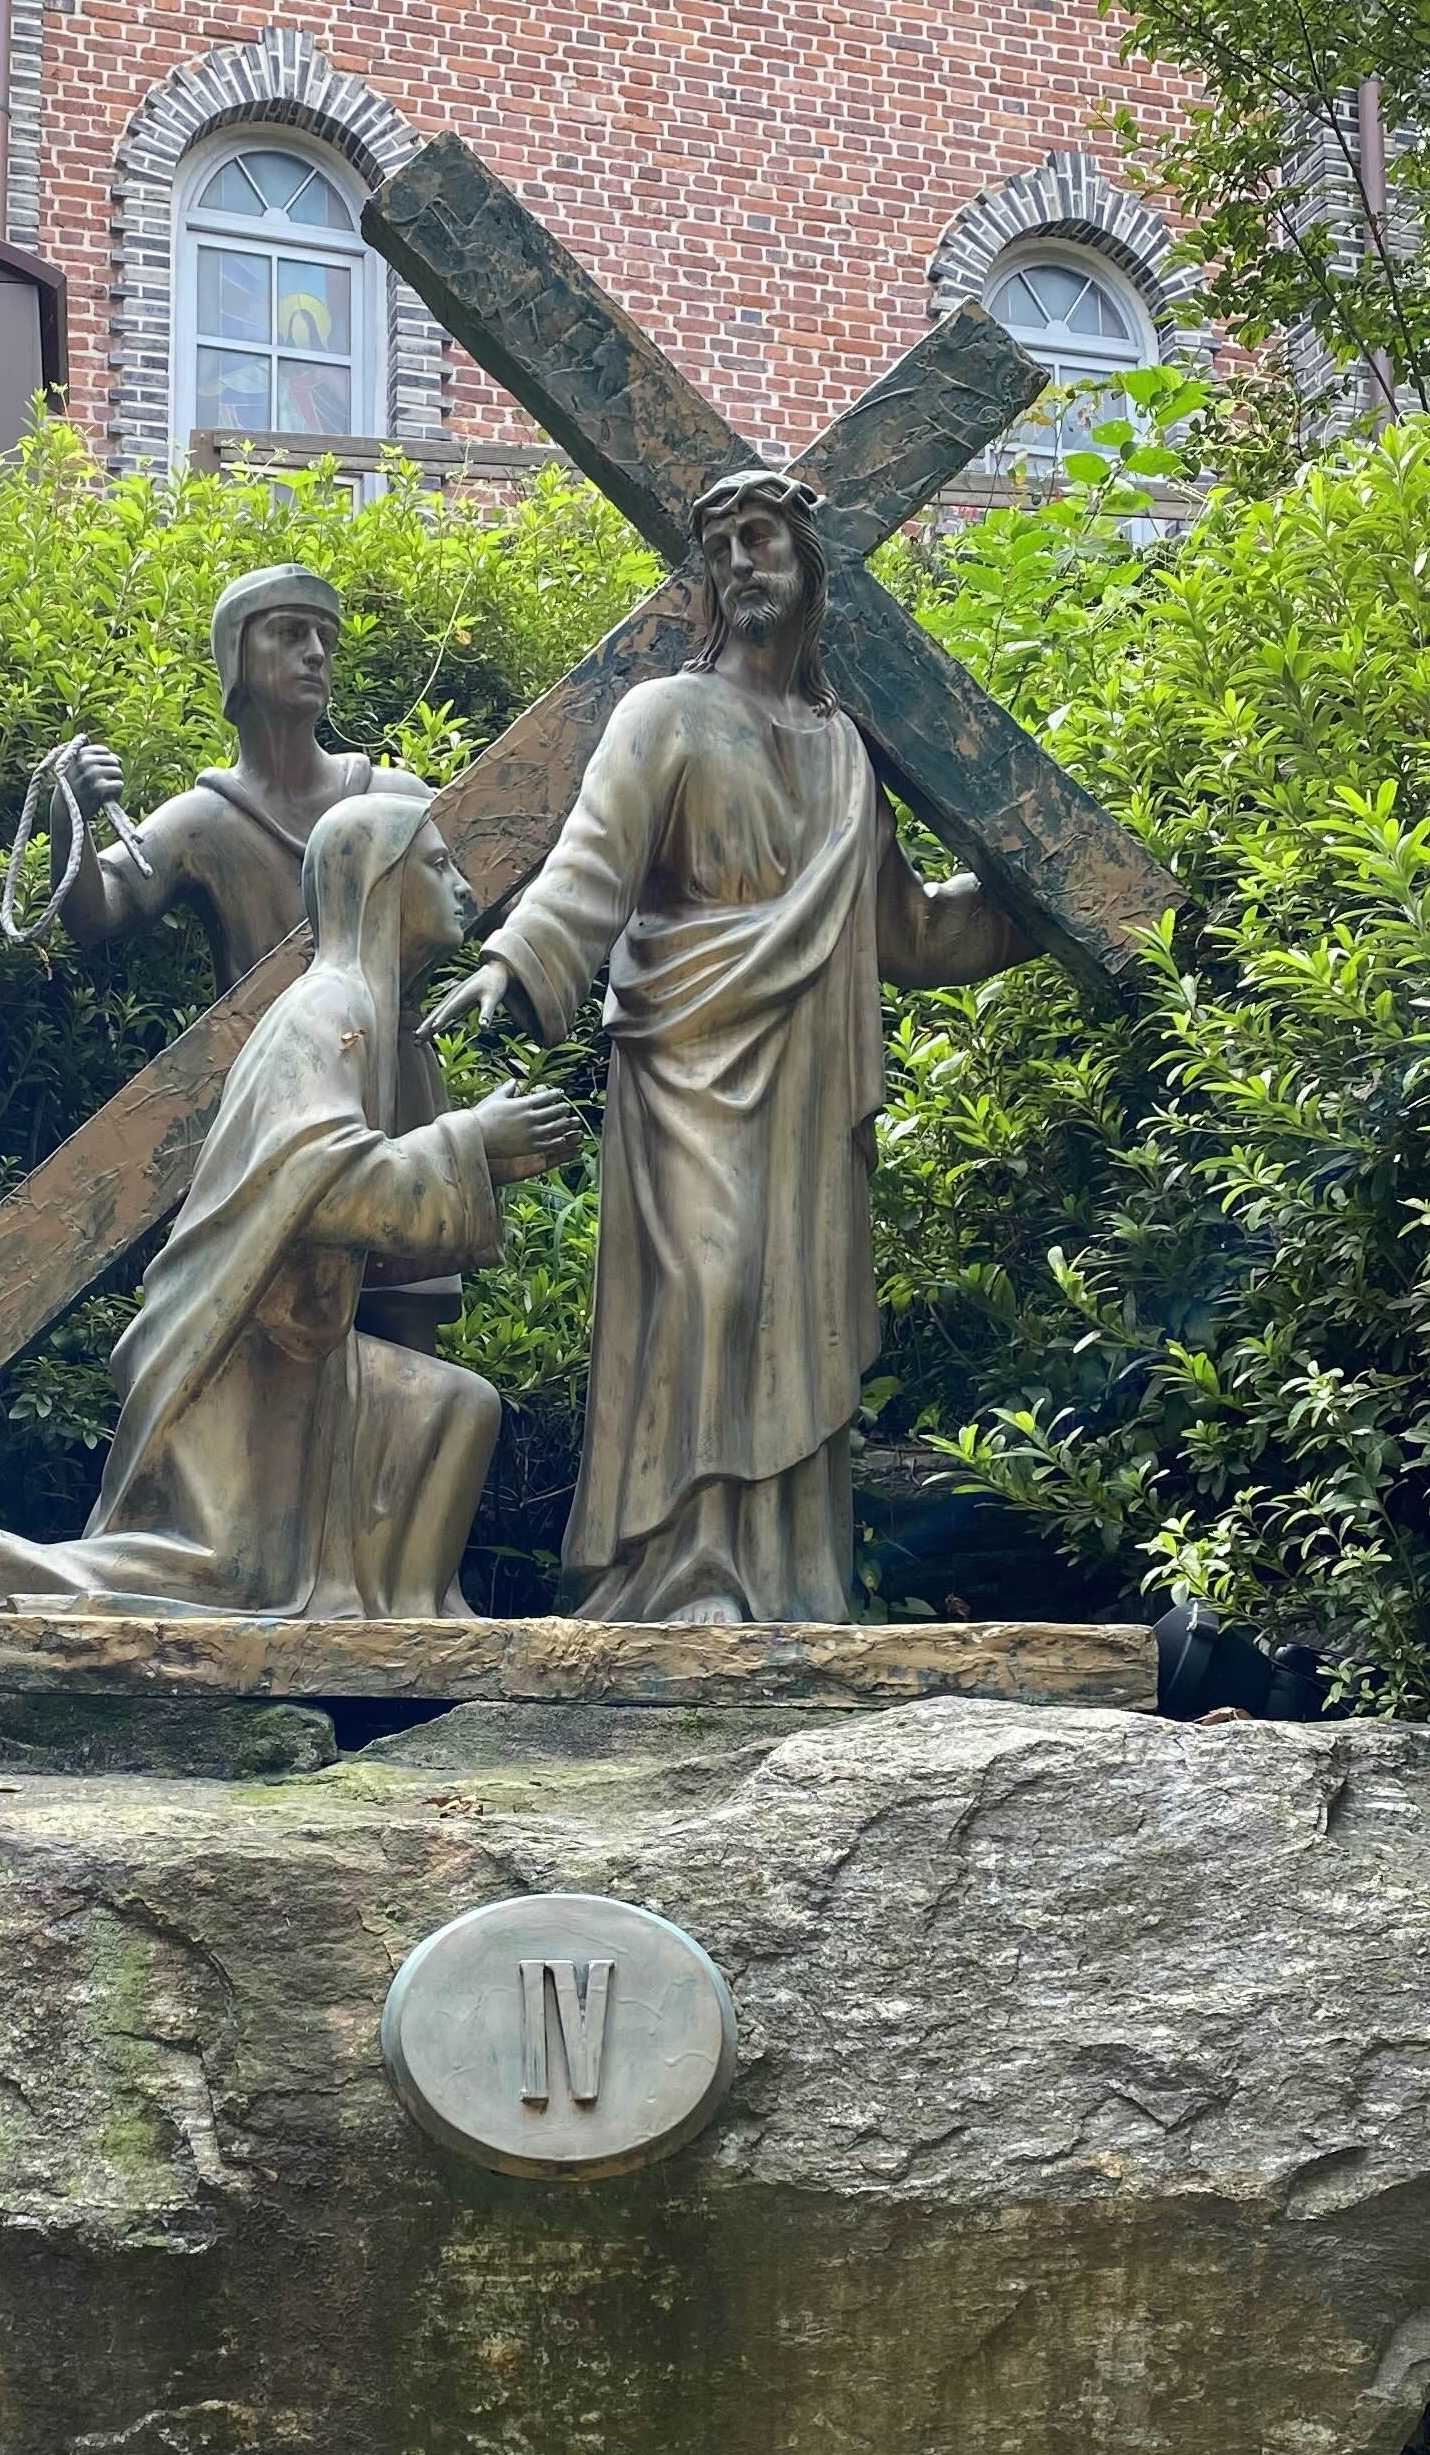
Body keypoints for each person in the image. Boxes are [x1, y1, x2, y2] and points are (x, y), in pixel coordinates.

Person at [417, 468, 1025, 1625]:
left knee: (796, 1310)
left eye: (761, 537)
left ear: (808, 561)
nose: (742, 560)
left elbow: (903, 928)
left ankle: (791, 1582)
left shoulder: (847, 751)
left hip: (808, 1084)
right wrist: (515, 961)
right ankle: (680, 1572)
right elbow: (591, 864)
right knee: (708, 1285)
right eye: (722, 545)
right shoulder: (665, 716)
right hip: (689, 1066)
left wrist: (1028, 913)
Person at [0, 793, 582, 1619]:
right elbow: (320, 1180)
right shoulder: (327, 1010)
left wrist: (481, 1159)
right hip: (233, 1346)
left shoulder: (369, 1015)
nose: (463, 886)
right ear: (380, 885)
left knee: (458, 1408)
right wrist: (471, 1143)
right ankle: (19, 1571)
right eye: (437, 865)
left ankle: (412, 1618)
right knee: (237, 1576)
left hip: (297, 1343)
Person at [57, 563, 460, 1353]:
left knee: (405, 1336)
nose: (316, 652)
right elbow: (98, 914)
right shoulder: (202, 822)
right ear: (238, 660)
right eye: (289, 633)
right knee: (277, 1350)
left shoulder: (397, 797)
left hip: (394, 1091)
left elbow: (470, 906)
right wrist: (68, 815)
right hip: (279, 1113)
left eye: (325, 637)